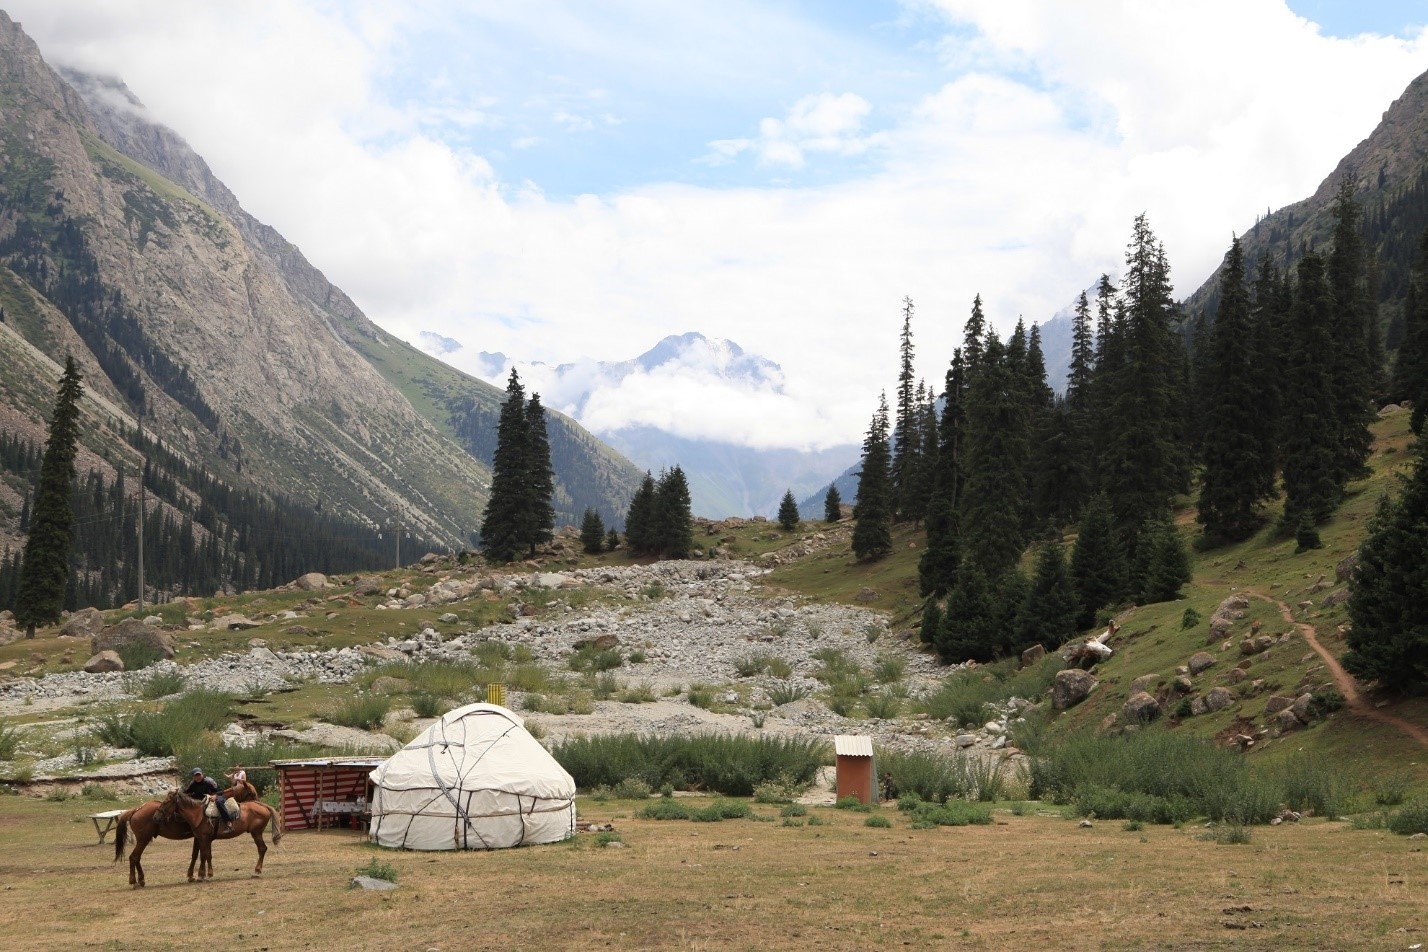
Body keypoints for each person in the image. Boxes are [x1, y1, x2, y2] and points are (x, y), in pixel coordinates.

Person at [185, 768, 230, 832]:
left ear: (202, 774)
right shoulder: (192, 784)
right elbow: (186, 793)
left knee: (219, 802)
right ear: (193, 777)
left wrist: (215, 796)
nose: (198, 777)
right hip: (204, 800)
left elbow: (221, 791)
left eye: (199, 775)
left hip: (217, 795)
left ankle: (228, 822)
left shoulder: (209, 781)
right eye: (196, 776)